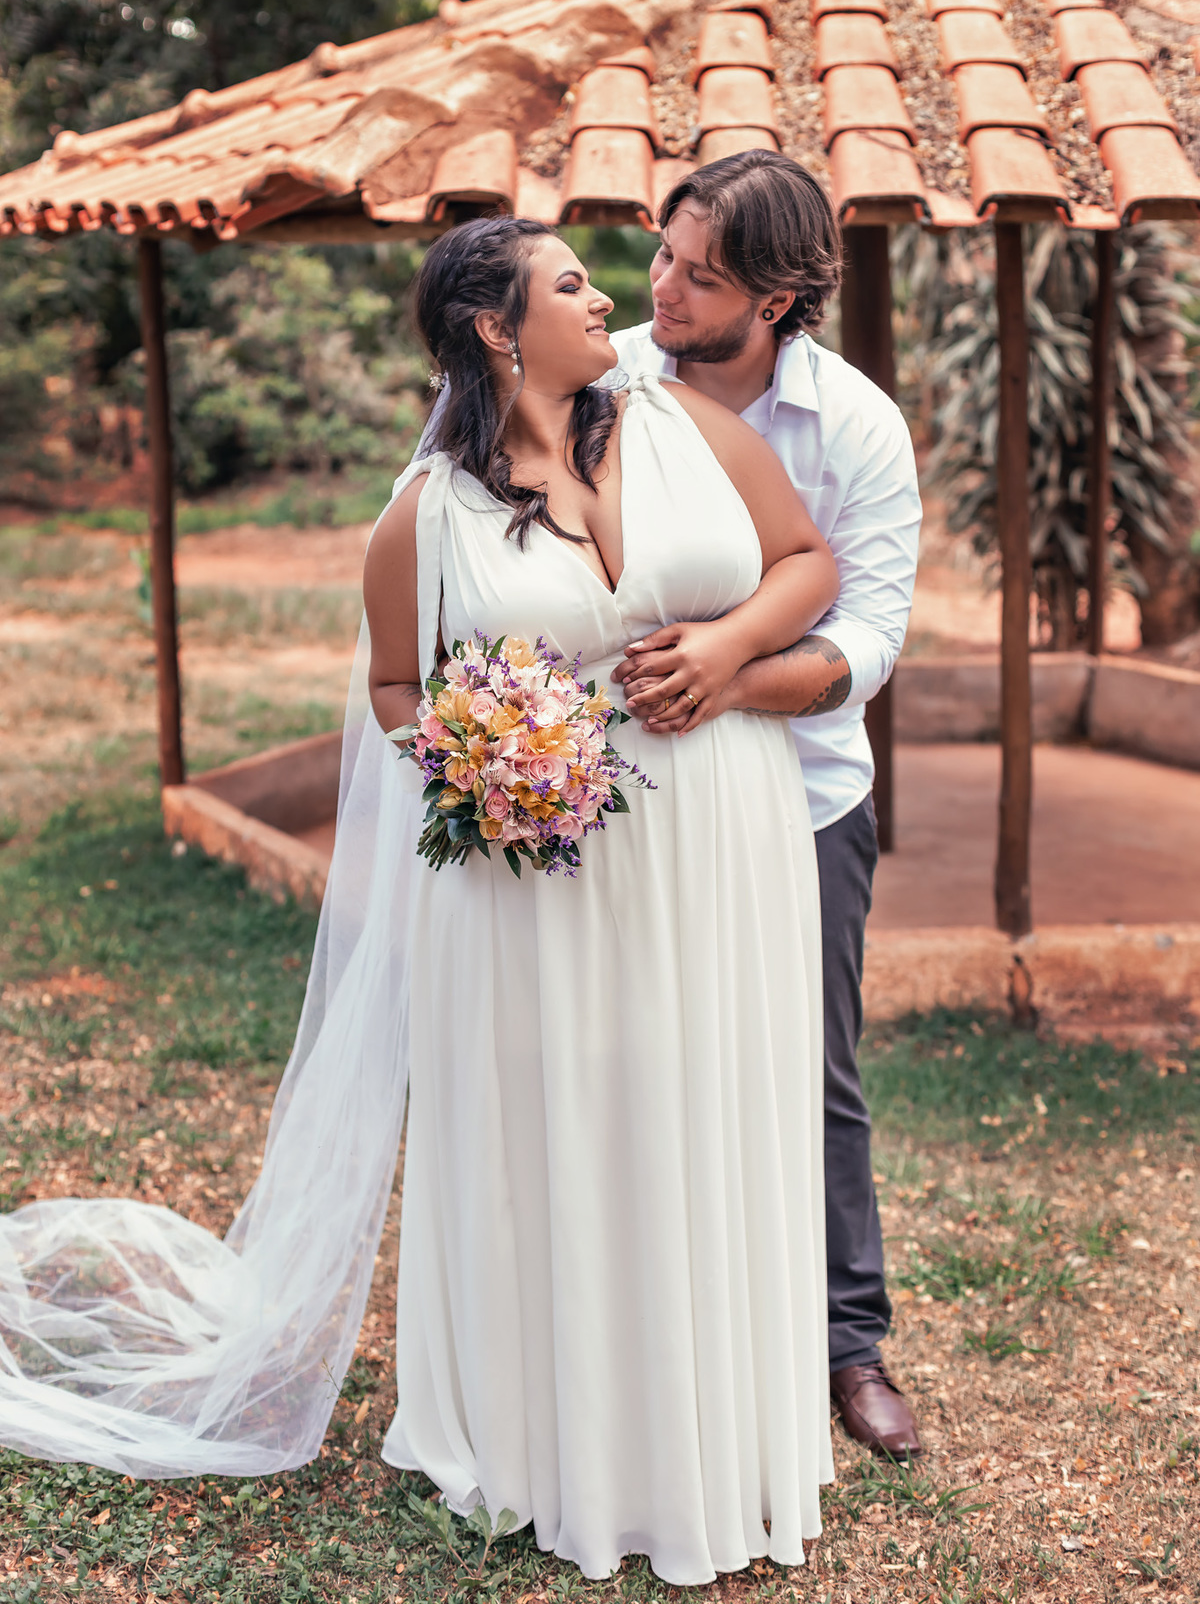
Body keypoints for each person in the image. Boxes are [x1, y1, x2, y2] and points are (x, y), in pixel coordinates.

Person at [0, 215, 839, 1587]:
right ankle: (561, 1446)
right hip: (541, 879)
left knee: (711, 1110)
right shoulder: (425, 519)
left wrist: (732, 646)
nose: (607, 296)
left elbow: (809, 564)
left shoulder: (688, 428)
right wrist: (484, 755)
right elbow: (399, 691)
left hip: (722, 844)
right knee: (568, 1133)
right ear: (499, 330)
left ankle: (724, 1437)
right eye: (571, 285)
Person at [609, 150, 924, 1462]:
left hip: (802, 799)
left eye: (703, 276)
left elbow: (874, 638)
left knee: (813, 1066)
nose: (663, 290)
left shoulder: (853, 426)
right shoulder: (604, 377)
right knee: (627, 1049)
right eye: (665, 256)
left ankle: (848, 1346)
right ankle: (643, 1327)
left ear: (783, 297)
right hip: (622, 794)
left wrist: (727, 675)